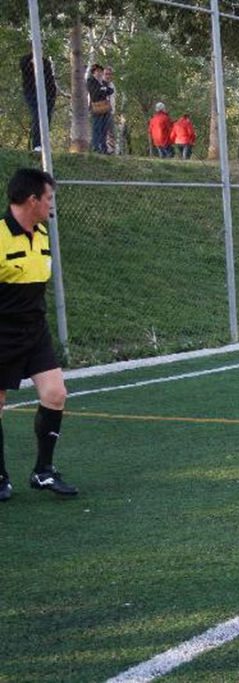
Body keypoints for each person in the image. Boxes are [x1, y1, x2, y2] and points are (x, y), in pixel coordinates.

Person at [0, 169, 78, 501]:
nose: (51, 205)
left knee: (55, 393)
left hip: (34, 330)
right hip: (2, 331)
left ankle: (43, 472)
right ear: (32, 200)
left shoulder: (42, 233)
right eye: (48, 198)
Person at [20, 50, 57, 152]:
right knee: (38, 116)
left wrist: (53, 95)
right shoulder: (25, 60)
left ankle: (44, 144)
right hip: (32, 94)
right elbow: (26, 70)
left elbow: (50, 78)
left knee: (47, 119)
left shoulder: (46, 62)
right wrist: (32, 58)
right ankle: (36, 145)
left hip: (48, 95)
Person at [86, 63, 114, 154]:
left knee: (104, 128)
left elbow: (110, 90)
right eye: (97, 71)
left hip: (105, 107)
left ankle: (103, 148)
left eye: (100, 71)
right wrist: (103, 90)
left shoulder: (103, 82)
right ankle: (96, 146)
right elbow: (94, 93)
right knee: (97, 127)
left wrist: (103, 89)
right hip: (96, 107)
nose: (99, 73)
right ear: (93, 72)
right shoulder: (90, 81)